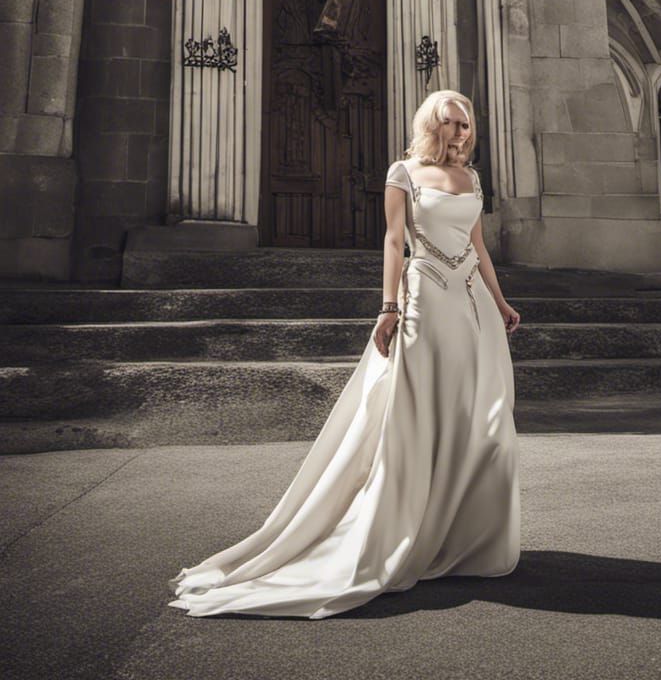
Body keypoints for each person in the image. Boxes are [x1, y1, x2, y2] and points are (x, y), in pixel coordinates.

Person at [167, 90, 522, 618]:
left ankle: (465, 538)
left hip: (473, 305)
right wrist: (388, 307)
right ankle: (408, 530)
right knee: (422, 416)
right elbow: (394, 242)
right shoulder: (403, 173)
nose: (459, 132)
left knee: (486, 420)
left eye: (465, 125)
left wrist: (500, 300)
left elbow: (479, 246)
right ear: (431, 125)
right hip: (426, 300)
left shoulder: (472, 179)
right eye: (450, 123)